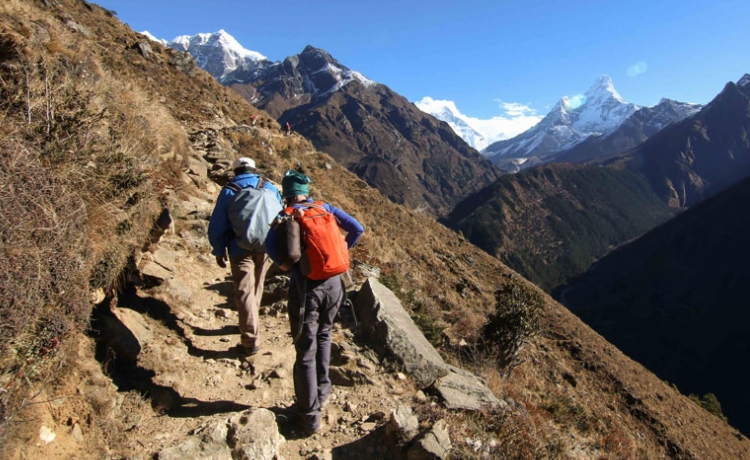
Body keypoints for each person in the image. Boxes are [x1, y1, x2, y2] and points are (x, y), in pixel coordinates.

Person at [266, 169, 364, 435]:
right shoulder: (325, 207)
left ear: (286, 194)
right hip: (336, 284)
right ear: (306, 191)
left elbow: (272, 248)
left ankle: (309, 416)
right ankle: (322, 390)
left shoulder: (285, 216)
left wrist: (288, 266)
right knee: (324, 336)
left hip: (307, 288)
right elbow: (357, 228)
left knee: (305, 349)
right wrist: (340, 252)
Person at [208, 157, 283, 357]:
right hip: (267, 246)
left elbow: (218, 224)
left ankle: (250, 340)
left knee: (243, 292)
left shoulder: (229, 190)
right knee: (256, 288)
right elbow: (280, 214)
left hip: (238, 247)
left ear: (236, 171)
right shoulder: (269, 188)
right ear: (253, 169)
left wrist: (218, 249)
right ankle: (249, 323)